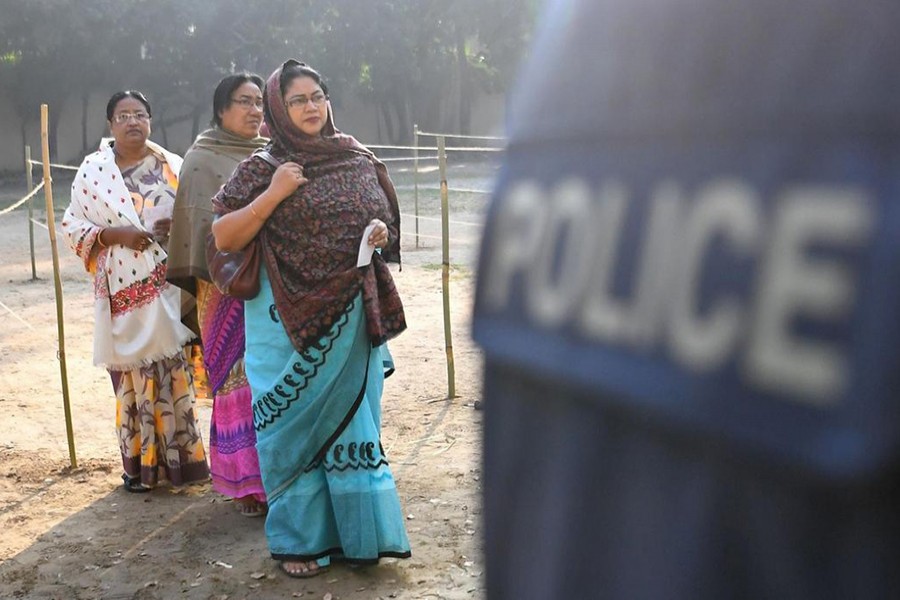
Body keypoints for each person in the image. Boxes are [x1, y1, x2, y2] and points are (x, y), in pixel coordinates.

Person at [211, 60, 411, 578]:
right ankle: (301, 540)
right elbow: (225, 237)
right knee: (291, 427)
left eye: (316, 96)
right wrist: (275, 193)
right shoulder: (263, 166)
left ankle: (355, 534)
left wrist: (379, 233)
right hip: (282, 323)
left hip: (350, 316)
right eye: (297, 99)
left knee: (353, 422)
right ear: (280, 107)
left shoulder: (355, 156)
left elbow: (386, 216)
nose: (310, 107)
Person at [62, 91, 210, 493]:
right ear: (110, 124)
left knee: (174, 375)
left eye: (140, 114)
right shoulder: (93, 173)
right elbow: (73, 227)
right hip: (124, 291)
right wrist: (117, 235)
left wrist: (172, 231)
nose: (133, 121)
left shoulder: (172, 166)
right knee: (133, 381)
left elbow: (195, 214)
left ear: (150, 120)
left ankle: (184, 466)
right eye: (124, 115)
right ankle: (140, 469)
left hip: (170, 284)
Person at [165, 74, 270, 517]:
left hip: (272, 282)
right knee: (237, 376)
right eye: (244, 102)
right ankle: (246, 483)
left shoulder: (272, 154)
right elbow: (199, 227)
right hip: (222, 286)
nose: (254, 111)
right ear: (221, 109)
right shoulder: (202, 159)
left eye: (260, 103)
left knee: (271, 375)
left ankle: (278, 473)